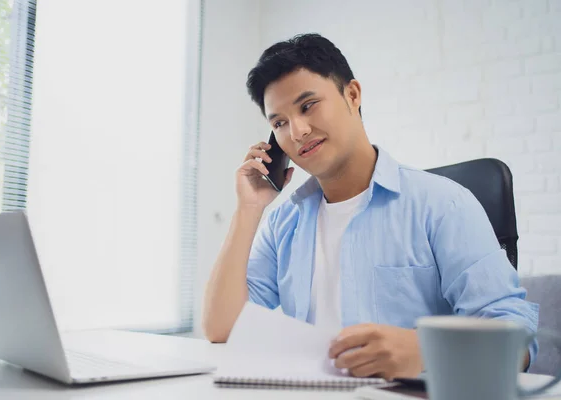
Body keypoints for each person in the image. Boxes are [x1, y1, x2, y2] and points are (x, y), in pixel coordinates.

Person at [202, 33, 538, 379]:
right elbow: (222, 329)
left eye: (307, 106)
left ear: (352, 94)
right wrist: (249, 209)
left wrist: (427, 352)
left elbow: (518, 339)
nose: (298, 131)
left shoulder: (443, 205)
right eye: (279, 123)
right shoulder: (284, 223)